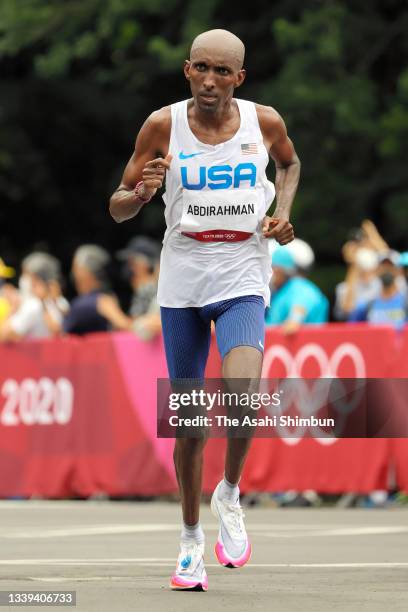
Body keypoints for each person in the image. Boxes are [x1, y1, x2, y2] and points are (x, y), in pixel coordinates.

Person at [109, 29, 300, 591]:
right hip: (184, 278)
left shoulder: (262, 123)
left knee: (243, 397)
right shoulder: (161, 125)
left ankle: (230, 492)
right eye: (202, 70)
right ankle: (191, 541)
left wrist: (281, 213)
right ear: (187, 70)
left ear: (240, 78)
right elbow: (117, 207)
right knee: (190, 424)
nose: (211, 81)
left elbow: (288, 166)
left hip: (242, 269)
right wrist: (141, 194)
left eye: (224, 72)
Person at [64, 245, 132, 335]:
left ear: (85, 272)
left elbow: (63, 332)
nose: (73, 273)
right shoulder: (109, 297)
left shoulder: (87, 303)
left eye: (76, 268)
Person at [0, 252, 66, 341]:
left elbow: (4, 335)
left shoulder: (34, 305)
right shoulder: (60, 301)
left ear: (35, 278)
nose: (22, 279)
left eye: (25, 274)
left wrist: (13, 310)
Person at [265, 247, 328, 334]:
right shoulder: (279, 292)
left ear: (279, 270)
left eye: (270, 268)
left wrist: (294, 319)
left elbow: (300, 309)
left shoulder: (299, 287)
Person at [116, 236, 162, 340]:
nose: (130, 269)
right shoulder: (151, 289)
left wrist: (115, 317)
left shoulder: (147, 289)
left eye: (133, 264)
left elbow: (134, 326)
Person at [348, 252, 407, 329]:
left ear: (399, 271)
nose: (387, 270)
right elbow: (351, 331)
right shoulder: (366, 305)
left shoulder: (405, 303)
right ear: (377, 271)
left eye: (390, 267)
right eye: (383, 267)